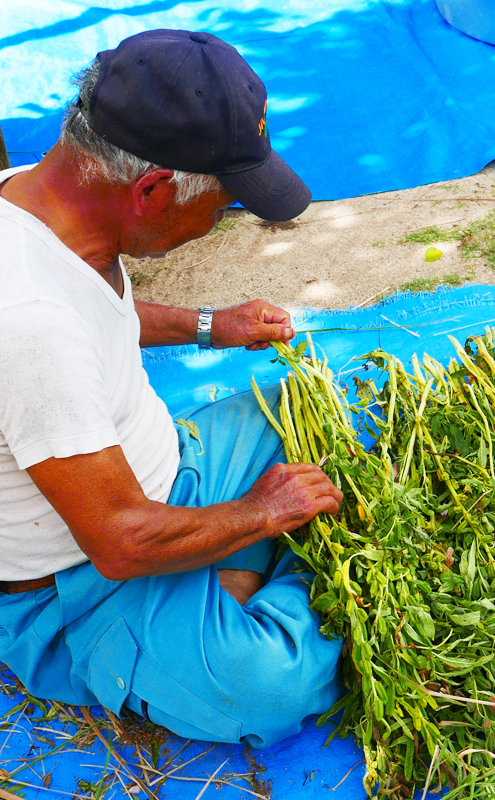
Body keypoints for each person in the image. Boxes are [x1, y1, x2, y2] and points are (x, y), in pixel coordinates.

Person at [0, 29, 345, 749]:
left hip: (165, 468)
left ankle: (225, 570)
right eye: (219, 205)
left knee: (320, 408)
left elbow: (98, 316)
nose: (217, 221)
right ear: (153, 189)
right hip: (86, 581)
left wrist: (213, 325)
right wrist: (259, 513)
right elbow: (120, 544)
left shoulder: (40, 194)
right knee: (274, 684)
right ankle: (228, 584)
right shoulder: (27, 322)